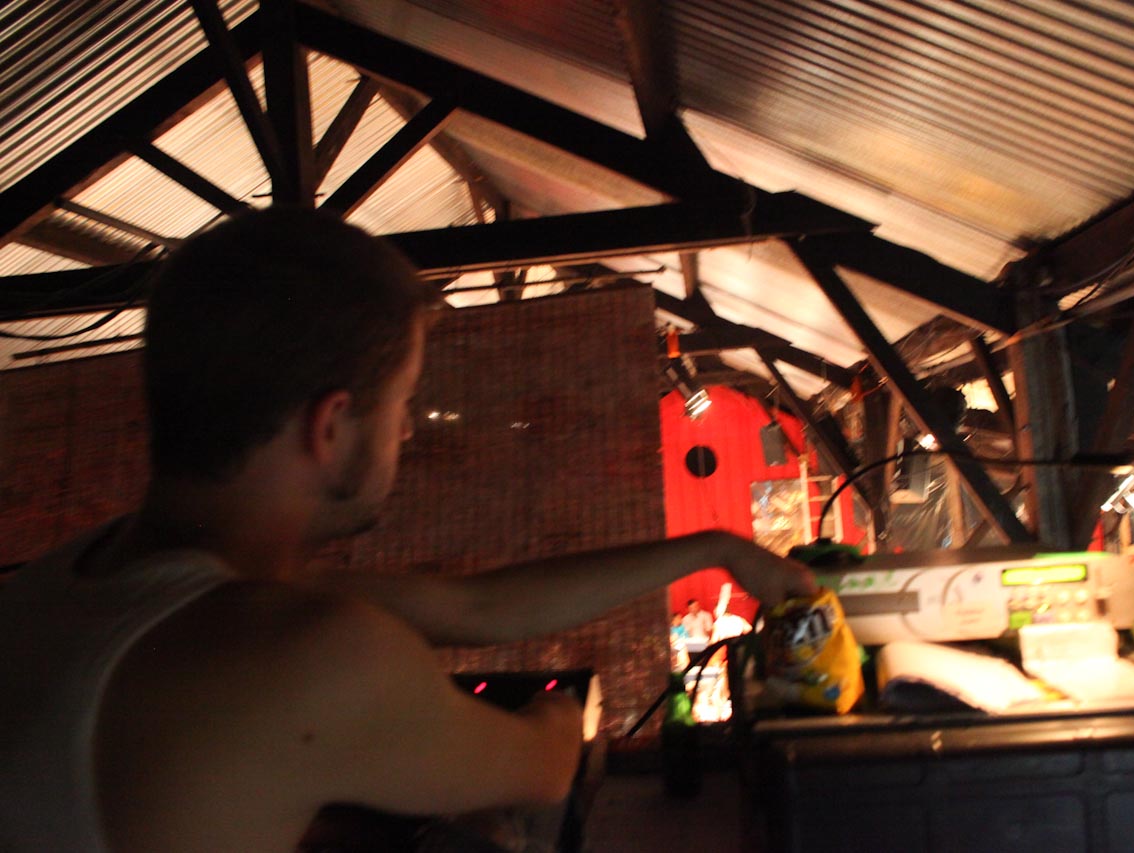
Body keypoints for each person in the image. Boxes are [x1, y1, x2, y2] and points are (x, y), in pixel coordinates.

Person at [0, 207, 817, 853]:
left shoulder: (64, 587)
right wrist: (565, 719)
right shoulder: (306, 653)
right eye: (402, 404)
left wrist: (716, 548)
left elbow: (473, 608)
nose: (408, 430)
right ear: (330, 426)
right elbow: (540, 769)